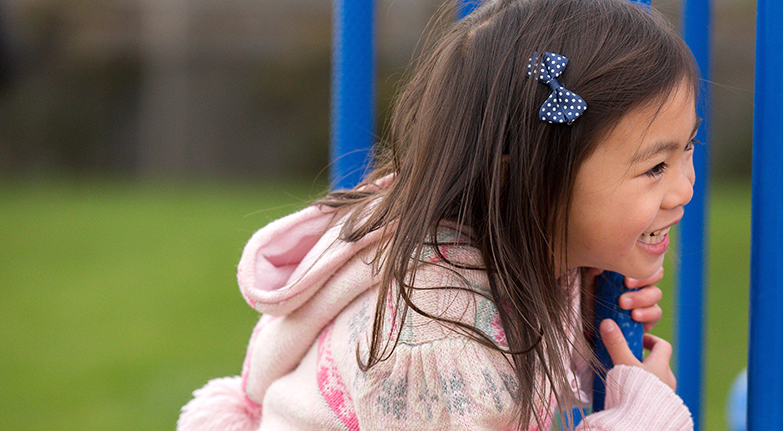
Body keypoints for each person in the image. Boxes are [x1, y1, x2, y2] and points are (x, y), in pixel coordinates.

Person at [178, 0, 699, 429]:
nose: (685, 188)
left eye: (689, 148)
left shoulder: (495, 256)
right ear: (528, 179)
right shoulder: (440, 344)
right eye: (655, 166)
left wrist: (578, 335)